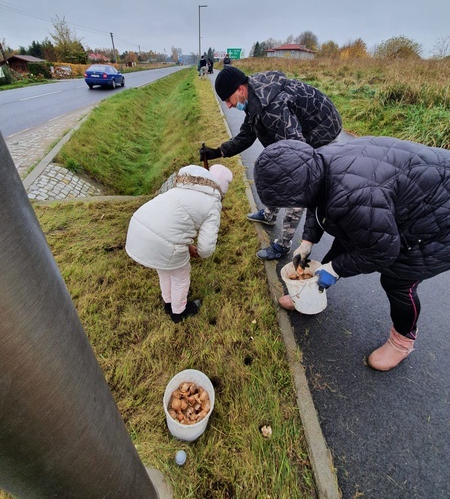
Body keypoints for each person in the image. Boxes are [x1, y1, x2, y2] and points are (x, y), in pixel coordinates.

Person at [254, 136, 450, 371]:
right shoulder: (317, 164)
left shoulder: (353, 195)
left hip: (439, 213)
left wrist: (334, 269)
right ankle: (309, 292)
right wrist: (307, 242)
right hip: (406, 190)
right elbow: (317, 205)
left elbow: (382, 250)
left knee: (398, 279)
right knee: (350, 239)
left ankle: (402, 341)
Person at [199, 66, 342, 260]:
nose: (229, 106)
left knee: (296, 186)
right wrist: (219, 151)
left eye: (228, 100)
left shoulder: (274, 107)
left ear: (240, 90)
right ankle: (269, 215)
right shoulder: (254, 97)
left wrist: (289, 176)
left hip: (322, 130)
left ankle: (283, 245)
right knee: (272, 167)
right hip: (299, 131)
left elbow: (298, 155)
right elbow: (247, 135)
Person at [125, 164, 233, 323]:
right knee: (180, 276)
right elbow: (207, 245)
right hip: (163, 241)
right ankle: (179, 312)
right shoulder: (212, 202)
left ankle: (168, 302)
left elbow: (172, 223)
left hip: (138, 229)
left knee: (164, 269)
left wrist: (187, 245)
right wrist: (200, 253)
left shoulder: (181, 187)